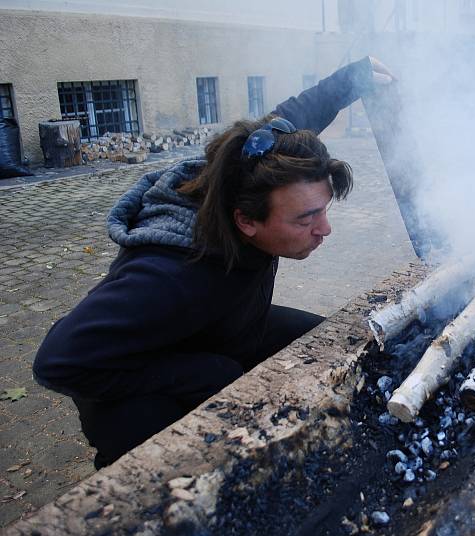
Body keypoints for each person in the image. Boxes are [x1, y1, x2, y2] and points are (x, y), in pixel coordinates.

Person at [33, 56, 394, 469]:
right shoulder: (171, 275)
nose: (324, 229)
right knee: (185, 449)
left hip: (219, 323)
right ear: (246, 221)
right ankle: (129, 472)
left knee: (324, 344)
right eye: (305, 218)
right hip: (128, 391)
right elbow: (58, 359)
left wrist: (351, 78)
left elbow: (290, 120)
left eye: (323, 211)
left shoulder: (246, 167)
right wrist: (203, 374)